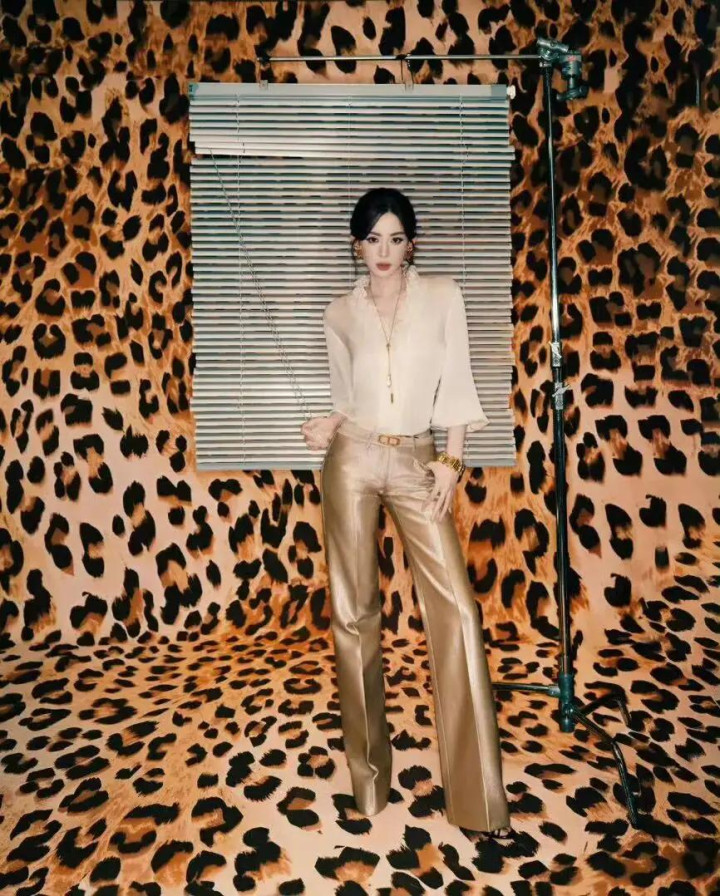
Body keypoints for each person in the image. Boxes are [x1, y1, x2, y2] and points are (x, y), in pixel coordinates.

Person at [300, 188, 511, 836]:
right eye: (372, 239)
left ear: (411, 243)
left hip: (421, 459)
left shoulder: (444, 297)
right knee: (353, 614)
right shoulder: (339, 312)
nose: (384, 251)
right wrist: (330, 421)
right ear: (357, 246)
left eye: (395, 238)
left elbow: (457, 381)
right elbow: (349, 394)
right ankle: (369, 784)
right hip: (353, 460)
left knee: (458, 611)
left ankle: (477, 800)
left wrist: (451, 462)